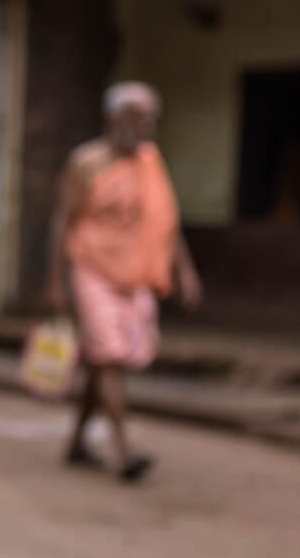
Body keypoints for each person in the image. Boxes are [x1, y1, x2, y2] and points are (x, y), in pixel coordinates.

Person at [49, 82, 203, 483]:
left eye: (151, 119)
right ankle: (124, 448)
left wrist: (184, 270)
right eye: (137, 117)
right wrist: (55, 283)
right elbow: (62, 223)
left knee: (106, 360)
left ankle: (77, 442)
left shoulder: (150, 161)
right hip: (93, 270)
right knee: (111, 356)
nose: (145, 126)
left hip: (135, 276)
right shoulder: (86, 162)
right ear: (113, 119)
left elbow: (165, 222)